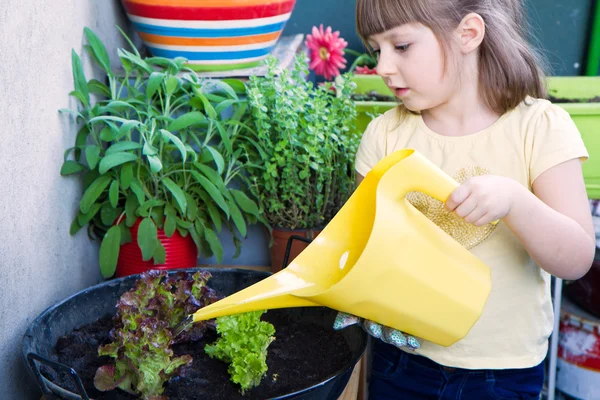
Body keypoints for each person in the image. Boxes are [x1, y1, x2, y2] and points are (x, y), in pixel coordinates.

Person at [347, 0, 596, 398]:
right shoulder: (384, 136)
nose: (383, 67)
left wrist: (516, 201)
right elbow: (363, 242)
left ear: (468, 34)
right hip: (402, 361)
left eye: (402, 46)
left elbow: (576, 259)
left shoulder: (539, 128)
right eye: (377, 50)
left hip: (502, 372)